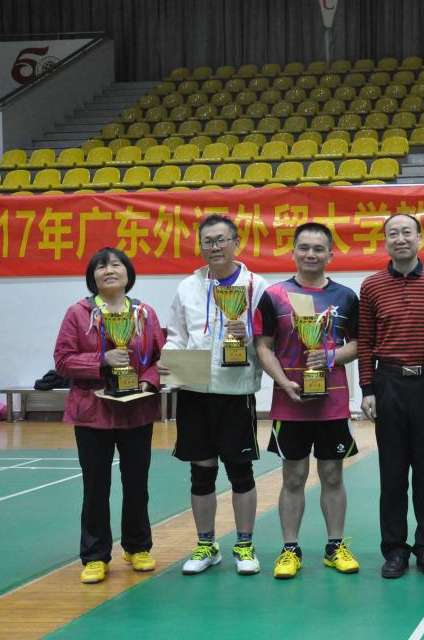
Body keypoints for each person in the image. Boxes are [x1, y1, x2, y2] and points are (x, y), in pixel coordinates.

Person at [253, 222, 361, 579]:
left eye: (318, 248)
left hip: (333, 403)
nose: (311, 254)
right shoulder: (274, 295)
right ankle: (290, 549)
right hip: (291, 403)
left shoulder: (346, 296)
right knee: (293, 476)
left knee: (332, 475)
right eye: (304, 247)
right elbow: (263, 346)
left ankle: (335, 547)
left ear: (330, 254)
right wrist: (282, 382)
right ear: (293, 252)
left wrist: (331, 356)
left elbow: (358, 344)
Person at [163, 214, 269, 576]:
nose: (215, 247)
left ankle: (244, 545)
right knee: (201, 473)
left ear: (236, 242)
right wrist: (169, 363)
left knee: (241, 472)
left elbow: (268, 340)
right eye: (208, 241)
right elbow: (177, 334)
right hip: (194, 391)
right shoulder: (187, 287)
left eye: (222, 239)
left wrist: (246, 337)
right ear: (200, 246)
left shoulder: (257, 286)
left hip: (236, 392)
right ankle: (206, 544)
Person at [53, 247, 165, 584]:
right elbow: (62, 361)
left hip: (136, 410)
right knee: (95, 486)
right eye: (101, 266)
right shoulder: (78, 313)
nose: (109, 270)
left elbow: (160, 358)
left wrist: (148, 380)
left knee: (137, 483)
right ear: (93, 277)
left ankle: (137, 547)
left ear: (128, 273)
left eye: (116, 264)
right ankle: (95, 556)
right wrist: (102, 361)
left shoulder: (145, 313)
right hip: (93, 412)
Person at [358, 213, 424, 579]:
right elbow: (365, 341)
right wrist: (367, 389)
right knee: (392, 473)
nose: (400, 239)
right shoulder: (371, 285)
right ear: (385, 241)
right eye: (392, 233)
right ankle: (394, 549)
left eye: (407, 232)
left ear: (420, 237)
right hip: (389, 384)